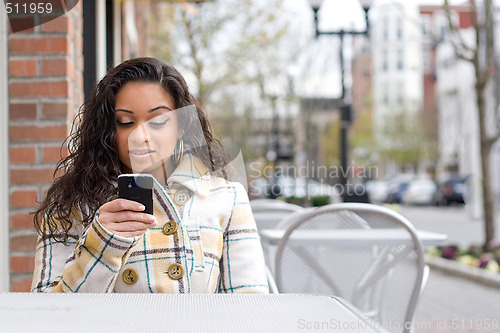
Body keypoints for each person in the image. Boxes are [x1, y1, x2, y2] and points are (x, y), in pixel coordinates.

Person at [31, 57, 269, 293]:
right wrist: (102, 243)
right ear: (107, 129)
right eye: (125, 121)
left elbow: (249, 307)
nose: (141, 135)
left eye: (158, 121)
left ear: (181, 126)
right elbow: (45, 313)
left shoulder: (226, 198)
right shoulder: (69, 205)